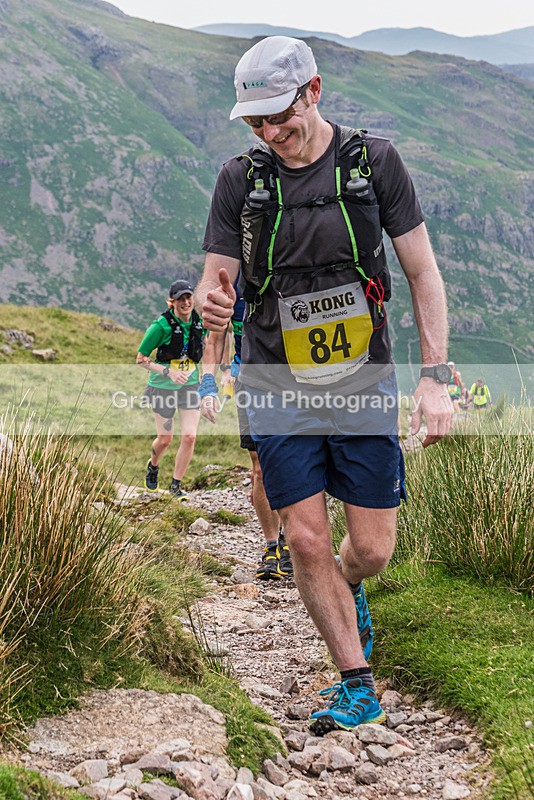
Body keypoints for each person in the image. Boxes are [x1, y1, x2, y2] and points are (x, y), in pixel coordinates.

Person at [195, 35, 453, 734]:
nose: (271, 133)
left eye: (280, 115)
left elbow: (423, 274)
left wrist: (435, 377)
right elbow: (212, 281)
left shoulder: (374, 164)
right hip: (275, 376)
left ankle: (351, 588)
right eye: (255, 122)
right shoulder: (240, 181)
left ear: (313, 90)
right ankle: (356, 684)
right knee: (306, 539)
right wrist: (212, 309)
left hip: (362, 377)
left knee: (368, 549)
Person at [198, 290, 293, 580]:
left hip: (292, 379)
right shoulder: (233, 287)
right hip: (248, 382)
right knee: (260, 467)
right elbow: (214, 340)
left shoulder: (285, 275)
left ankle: (293, 540)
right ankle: (272, 546)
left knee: (294, 462)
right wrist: (207, 386)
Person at [136, 279, 205, 499]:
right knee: (165, 439)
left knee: (190, 437)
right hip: (162, 387)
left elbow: (208, 346)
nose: (186, 302)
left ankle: (176, 485)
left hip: (190, 384)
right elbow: (141, 360)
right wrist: (169, 372)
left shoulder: (199, 322)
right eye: (180, 299)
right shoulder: (161, 326)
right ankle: (153, 465)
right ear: (172, 302)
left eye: (188, 297)